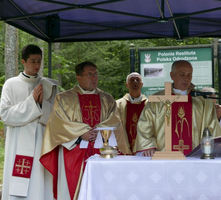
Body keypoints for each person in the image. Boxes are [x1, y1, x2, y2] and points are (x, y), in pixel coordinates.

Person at [40, 61, 131, 200]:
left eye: (95, 74)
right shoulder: (64, 98)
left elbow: (115, 121)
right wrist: (81, 133)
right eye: (89, 74)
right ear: (78, 77)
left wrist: (98, 131)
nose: (94, 77)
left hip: (102, 149)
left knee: (103, 189)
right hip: (74, 151)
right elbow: (58, 124)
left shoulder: (107, 99)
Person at [0, 44, 58, 200]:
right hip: (18, 143)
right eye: (33, 61)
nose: (37, 65)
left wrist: (41, 105)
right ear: (23, 61)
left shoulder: (48, 86)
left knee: (39, 181)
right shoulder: (10, 84)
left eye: (39, 61)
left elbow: (56, 118)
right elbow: (5, 115)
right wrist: (32, 102)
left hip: (41, 142)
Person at [134, 60, 221, 157]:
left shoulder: (202, 100)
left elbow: (212, 127)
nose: (186, 78)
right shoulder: (157, 99)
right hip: (163, 157)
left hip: (196, 157)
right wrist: (148, 146)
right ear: (172, 75)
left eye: (189, 75)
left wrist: (212, 148)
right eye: (182, 74)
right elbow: (145, 126)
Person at [116, 72, 148, 152]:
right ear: (127, 85)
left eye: (138, 80)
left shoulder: (150, 104)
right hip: (124, 148)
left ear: (142, 84)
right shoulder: (118, 105)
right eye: (132, 80)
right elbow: (115, 128)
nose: (135, 82)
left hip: (145, 149)